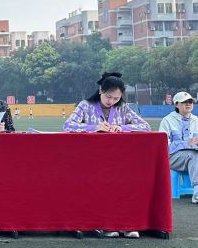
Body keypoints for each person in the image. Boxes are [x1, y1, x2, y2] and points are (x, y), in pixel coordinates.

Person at [63, 72, 150, 238]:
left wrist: (123, 128)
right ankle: (108, 224)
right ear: (100, 91)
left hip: (117, 159)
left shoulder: (123, 108)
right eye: (108, 97)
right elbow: (68, 125)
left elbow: (145, 126)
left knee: (127, 183)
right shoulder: (85, 105)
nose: (111, 101)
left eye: (116, 98)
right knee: (103, 184)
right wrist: (94, 127)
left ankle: (126, 224)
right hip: (90, 159)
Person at [159, 91, 198, 204]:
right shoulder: (168, 120)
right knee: (193, 154)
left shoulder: (196, 120)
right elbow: (163, 144)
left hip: (192, 156)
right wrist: (187, 144)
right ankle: (197, 193)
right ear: (176, 104)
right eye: (184, 102)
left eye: (190, 101)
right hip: (172, 157)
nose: (188, 104)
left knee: (194, 154)